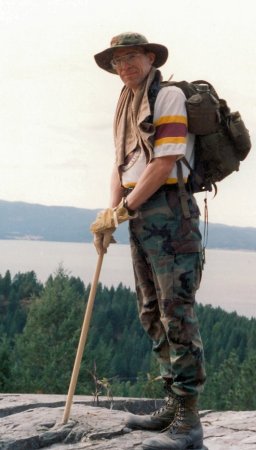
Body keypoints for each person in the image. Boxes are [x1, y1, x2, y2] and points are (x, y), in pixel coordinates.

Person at [91, 32, 207, 450]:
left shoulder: (168, 95)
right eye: (118, 61)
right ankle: (171, 406)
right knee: (151, 311)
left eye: (132, 57)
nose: (125, 66)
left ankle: (189, 422)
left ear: (149, 57)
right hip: (142, 214)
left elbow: (164, 162)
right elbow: (122, 166)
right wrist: (112, 210)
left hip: (170, 213)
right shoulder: (126, 103)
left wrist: (125, 209)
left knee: (177, 312)